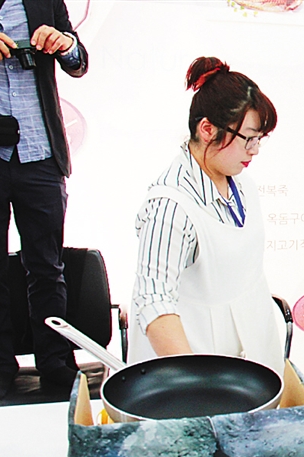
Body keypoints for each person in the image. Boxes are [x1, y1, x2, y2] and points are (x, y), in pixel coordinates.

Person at [128, 57, 284, 376]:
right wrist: (193, 379)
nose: (255, 150)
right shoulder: (170, 207)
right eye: (248, 138)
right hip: (195, 373)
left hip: (251, 364)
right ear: (208, 129)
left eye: (260, 139)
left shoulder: (242, 183)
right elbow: (153, 302)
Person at [0, 0, 88, 400]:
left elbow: (79, 62)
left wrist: (64, 43)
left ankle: (55, 360)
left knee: (47, 265)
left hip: (41, 153)